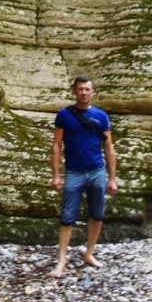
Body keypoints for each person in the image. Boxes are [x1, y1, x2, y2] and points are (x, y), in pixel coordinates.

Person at [49, 75, 118, 277]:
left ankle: (89, 254)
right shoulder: (64, 115)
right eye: (80, 89)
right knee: (67, 217)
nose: (84, 92)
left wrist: (112, 178)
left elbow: (109, 147)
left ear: (93, 92)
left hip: (97, 171)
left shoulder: (101, 116)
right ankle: (61, 261)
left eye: (87, 89)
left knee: (97, 215)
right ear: (74, 91)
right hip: (73, 172)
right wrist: (56, 175)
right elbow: (56, 145)